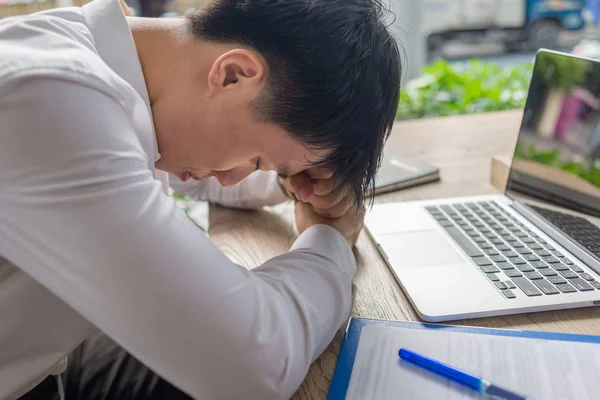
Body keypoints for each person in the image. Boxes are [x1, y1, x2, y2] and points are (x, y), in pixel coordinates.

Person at [0, 0, 401, 398]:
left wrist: (293, 184)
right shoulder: (53, 101)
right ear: (233, 75)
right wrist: (329, 239)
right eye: (256, 160)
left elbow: (171, 174)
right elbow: (254, 366)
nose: (230, 179)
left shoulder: (106, 56)